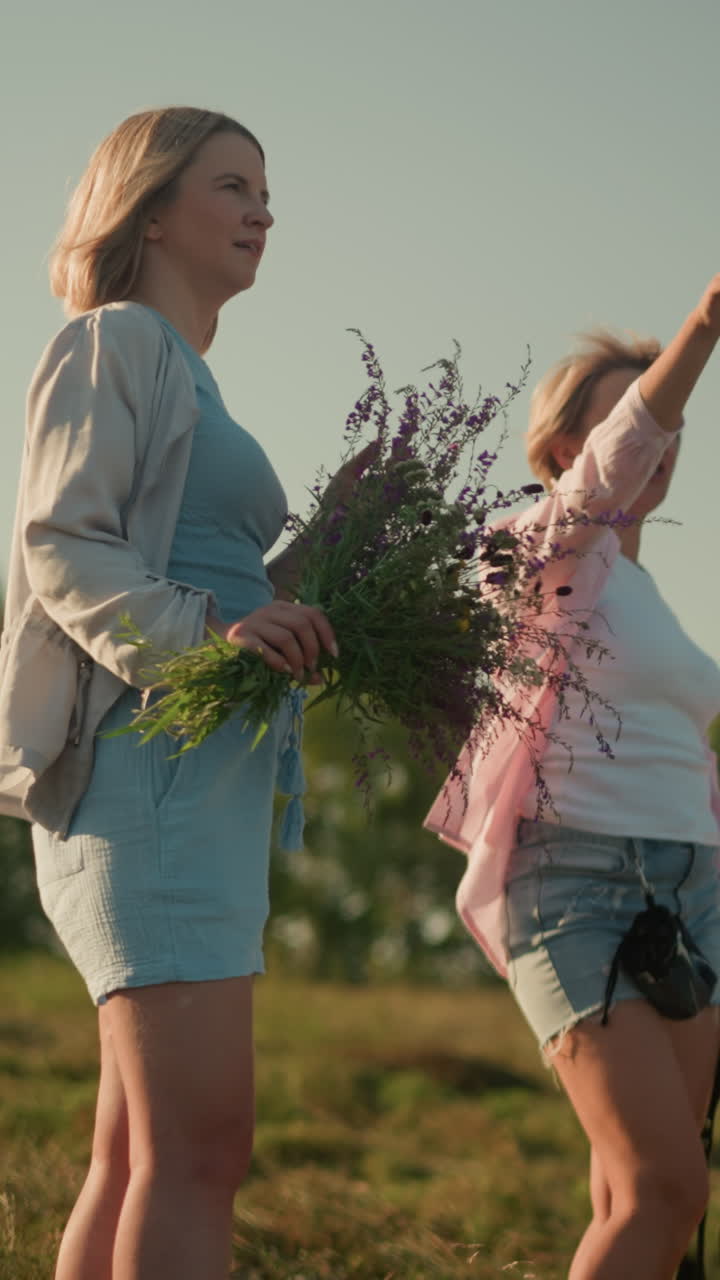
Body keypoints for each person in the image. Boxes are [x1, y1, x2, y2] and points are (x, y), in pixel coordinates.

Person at [0, 107, 364, 1280]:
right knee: (199, 1146)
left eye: (265, 189)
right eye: (231, 186)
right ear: (150, 210)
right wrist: (213, 627)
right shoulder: (112, 340)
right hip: (147, 773)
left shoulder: (188, 374)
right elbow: (63, 542)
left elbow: (237, 597)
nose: (264, 211)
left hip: (199, 781)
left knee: (139, 1156)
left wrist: (343, 535)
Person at [425, 281, 720, 1279]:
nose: (664, 438)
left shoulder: (646, 595)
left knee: (647, 1203)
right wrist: (703, 329)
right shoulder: (531, 552)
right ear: (563, 450)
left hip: (693, 893)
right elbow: (618, 464)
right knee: (662, 1188)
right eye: (638, 414)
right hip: (577, 884)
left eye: (674, 425)